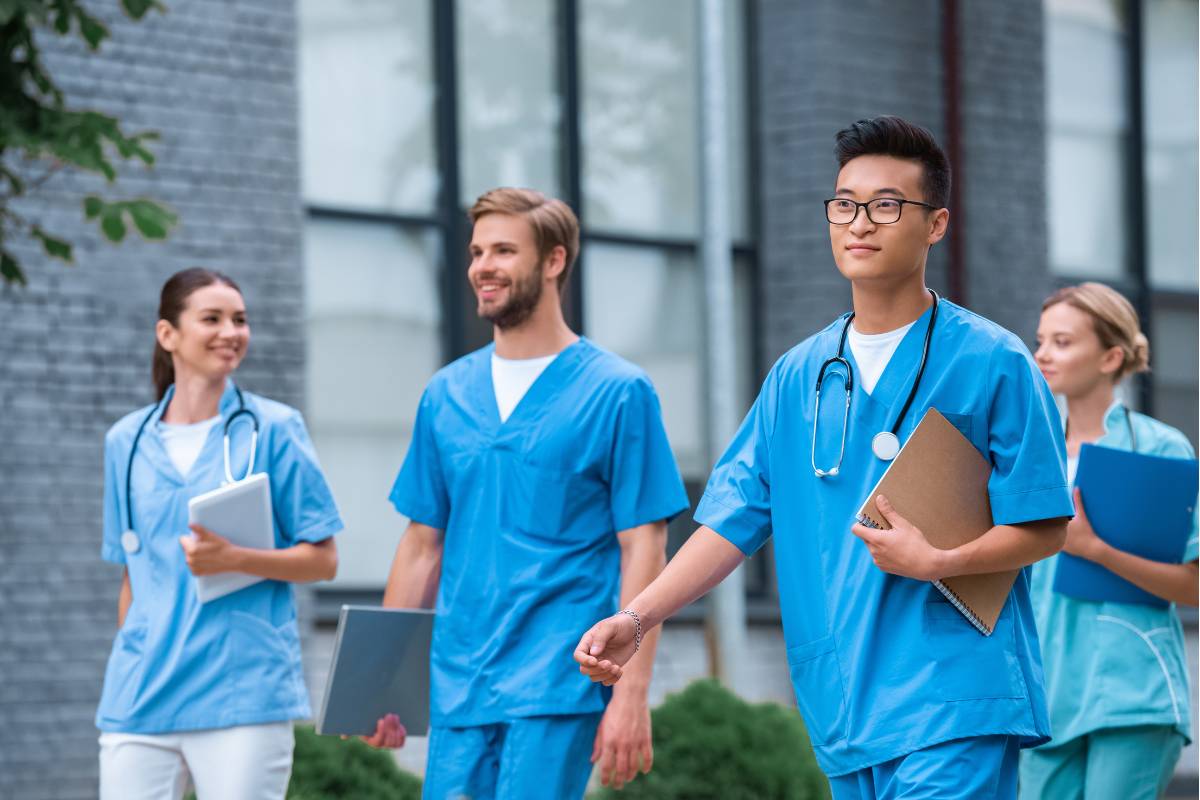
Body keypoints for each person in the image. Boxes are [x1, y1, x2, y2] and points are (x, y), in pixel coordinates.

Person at [574, 116, 1075, 799]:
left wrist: (943, 563)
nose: (859, 222)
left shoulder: (993, 361)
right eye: (844, 204)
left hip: (954, 694)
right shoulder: (797, 375)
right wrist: (638, 618)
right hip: (843, 705)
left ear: (936, 224)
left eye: (886, 205)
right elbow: (731, 521)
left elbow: (1046, 523)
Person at [367, 188, 688, 799]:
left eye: (504, 250)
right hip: (460, 679)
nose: (482, 266)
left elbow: (644, 545)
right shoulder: (445, 395)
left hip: (558, 679)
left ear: (553, 261)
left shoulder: (618, 391)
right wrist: (382, 677)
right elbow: (421, 545)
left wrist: (631, 692)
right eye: (476, 251)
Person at [96, 268, 342, 800]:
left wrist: (235, 558)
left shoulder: (274, 429)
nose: (231, 331)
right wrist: (134, 653)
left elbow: (323, 561)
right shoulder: (126, 442)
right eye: (212, 318)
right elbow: (132, 575)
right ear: (169, 335)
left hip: (242, 691)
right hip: (141, 691)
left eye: (240, 320)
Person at [1019, 282, 1198, 799]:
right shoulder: (1026, 448)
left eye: (1063, 342)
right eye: (1041, 340)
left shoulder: (1160, 447)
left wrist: (1096, 550)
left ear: (1111, 356)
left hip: (1132, 693)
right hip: (1045, 695)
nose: (1044, 355)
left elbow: (1195, 586)